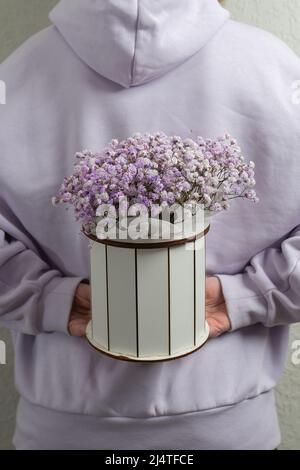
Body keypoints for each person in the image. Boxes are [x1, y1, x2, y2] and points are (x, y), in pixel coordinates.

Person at [0, 0, 299, 450]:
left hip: (59, 432)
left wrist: (55, 299)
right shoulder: (275, 71)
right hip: (233, 431)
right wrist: (246, 297)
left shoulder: (17, 75)